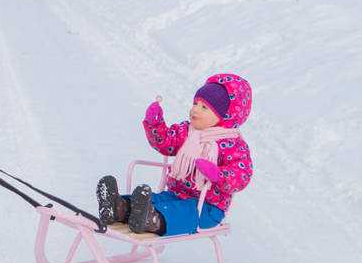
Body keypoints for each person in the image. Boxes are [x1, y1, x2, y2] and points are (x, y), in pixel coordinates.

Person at [96, 74, 253, 235]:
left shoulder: (234, 144)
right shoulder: (187, 131)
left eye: (204, 107)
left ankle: (151, 221)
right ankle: (119, 207)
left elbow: (242, 175)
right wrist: (154, 123)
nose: (195, 110)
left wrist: (218, 175)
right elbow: (166, 142)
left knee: (179, 211)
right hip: (176, 194)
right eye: (195, 103)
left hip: (207, 207)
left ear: (225, 116)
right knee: (155, 201)